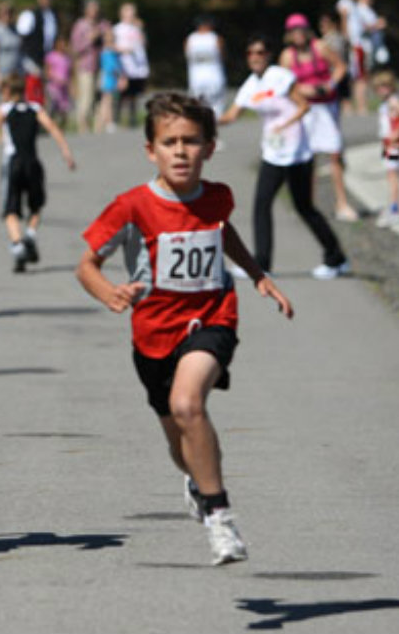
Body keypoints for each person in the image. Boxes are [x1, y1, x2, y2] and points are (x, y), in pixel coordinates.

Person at [76, 92, 294, 565]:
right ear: (150, 150)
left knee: (188, 403)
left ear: (210, 147)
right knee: (179, 440)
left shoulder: (218, 197)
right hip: (152, 335)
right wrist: (108, 292)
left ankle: (220, 518)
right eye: (169, 142)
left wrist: (257, 274)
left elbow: (221, 230)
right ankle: (197, 480)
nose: (180, 151)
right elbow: (87, 264)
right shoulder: (132, 206)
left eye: (191, 141)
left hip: (212, 317)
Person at [219, 34, 349, 279]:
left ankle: (336, 259)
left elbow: (304, 106)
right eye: (250, 53)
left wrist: (284, 125)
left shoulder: (279, 76)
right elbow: (231, 115)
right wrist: (205, 120)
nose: (255, 57)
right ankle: (262, 264)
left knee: (304, 208)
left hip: (297, 153)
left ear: (268, 55)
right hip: (273, 153)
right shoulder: (250, 85)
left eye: (260, 52)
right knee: (261, 205)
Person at [0, 73, 76, 272]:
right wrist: (66, 153)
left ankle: (18, 245)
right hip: (33, 162)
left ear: (7, 91)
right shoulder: (36, 109)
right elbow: (53, 128)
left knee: (10, 209)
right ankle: (30, 233)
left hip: (12, 164)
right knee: (36, 204)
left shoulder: (2, 111)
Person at [279, 13, 356, 222]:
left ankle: (342, 203)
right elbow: (283, 84)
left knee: (334, 153)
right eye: (293, 31)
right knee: (307, 158)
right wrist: (302, 90)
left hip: (326, 106)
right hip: (304, 108)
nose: (298, 34)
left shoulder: (320, 47)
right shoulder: (287, 56)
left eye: (301, 29)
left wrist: (329, 85)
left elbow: (340, 66)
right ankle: (308, 206)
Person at [372, 70, 399, 227]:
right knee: (391, 175)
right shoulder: (386, 103)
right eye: (378, 87)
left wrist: (397, 132)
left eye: (385, 86)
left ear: (392, 86)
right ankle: (394, 205)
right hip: (387, 145)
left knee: (393, 175)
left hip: (393, 145)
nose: (381, 90)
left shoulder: (393, 101)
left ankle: (395, 208)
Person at [70, 0, 108, 133]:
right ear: (86, 10)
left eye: (96, 9)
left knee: (100, 98)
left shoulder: (103, 24)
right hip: (85, 67)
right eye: (91, 8)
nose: (94, 11)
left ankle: (98, 128)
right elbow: (75, 48)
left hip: (101, 66)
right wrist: (90, 39)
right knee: (86, 98)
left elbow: (110, 41)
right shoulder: (80, 26)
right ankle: (83, 128)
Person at [16, 0, 57, 105]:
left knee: (45, 94)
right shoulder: (30, 15)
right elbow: (22, 37)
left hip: (47, 59)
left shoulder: (52, 16)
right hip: (32, 60)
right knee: (32, 92)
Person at [113, 3, 150, 127]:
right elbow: (110, 45)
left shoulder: (137, 28)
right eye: (129, 12)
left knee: (134, 94)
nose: (132, 15)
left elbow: (144, 43)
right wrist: (122, 50)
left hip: (138, 67)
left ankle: (132, 119)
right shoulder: (117, 29)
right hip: (124, 65)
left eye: (133, 12)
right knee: (122, 94)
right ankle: (115, 120)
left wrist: (141, 29)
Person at [335, 0, 368, 115]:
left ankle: (358, 105)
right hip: (351, 44)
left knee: (358, 75)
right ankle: (358, 106)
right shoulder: (344, 3)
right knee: (356, 76)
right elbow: (343, 22)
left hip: (358, 43)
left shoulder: (357, 5)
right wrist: (346, 40)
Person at [184, 15, 226, 117]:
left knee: (197, 106)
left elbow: (187, 55)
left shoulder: (190, 39)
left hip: (196, 76)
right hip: (214, 75)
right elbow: (222, 55)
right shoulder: (215, 38)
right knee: (216, 105)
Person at [94, 23, 122, 134]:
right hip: (108, 77)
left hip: (112, 77)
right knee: (107, 100)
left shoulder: (112, 49)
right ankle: (107, 123)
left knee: (108, 101)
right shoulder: (107, 50)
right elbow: (109, 66)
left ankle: (103, 123)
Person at [44, 35, 72, 127]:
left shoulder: (67, 58)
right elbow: (47, 71)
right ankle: (49, 127)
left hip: (64, 87)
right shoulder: (51, 56)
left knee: (64, 110)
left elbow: (70, 73)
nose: (63, 46)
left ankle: (61, 127)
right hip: (54, 87)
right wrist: (55, 78)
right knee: (52, 108)